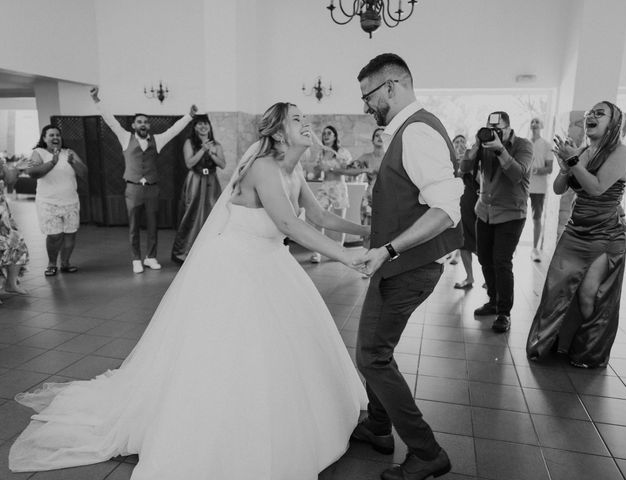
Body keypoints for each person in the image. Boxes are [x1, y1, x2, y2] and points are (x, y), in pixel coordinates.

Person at [9, 102, 370, 480]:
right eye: (298, 119)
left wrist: (368, 234)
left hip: (270, 261)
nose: (307, 124)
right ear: (279, 133)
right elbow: (289, 225)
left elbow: (320, 218)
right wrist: (347, 258)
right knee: (231, 351)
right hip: (236, 265)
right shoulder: (263, 167)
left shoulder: (292, 170)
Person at [351, 53, 463, 480]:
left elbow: (446, 210)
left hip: (408, 267)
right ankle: (379, 426)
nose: (366, 106)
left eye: (368, 95)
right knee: (375, 350)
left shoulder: (416, 132)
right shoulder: (406, 131)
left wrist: (389, 250)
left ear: (392, 86)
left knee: (373, 356)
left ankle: (427, 451)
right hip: (399, 264)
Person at [526, 101, 626, 369]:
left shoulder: (622, 153)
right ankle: (551, 343)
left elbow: (596, 188)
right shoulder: (584, 151)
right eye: (589, 114)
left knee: (589, 294)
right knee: (556, 288)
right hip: (576, 230)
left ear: (614, 123)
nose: (591, 117)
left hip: (604, 233)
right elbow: (560, 188)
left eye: (599, 113)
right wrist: (565, 166)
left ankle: (588, 350)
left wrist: (573, 160)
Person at [89, 87, 196, 273]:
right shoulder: (125, 138)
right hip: (133, 189)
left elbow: (174, 130)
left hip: (152, 189)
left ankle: (151, 257)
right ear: (133, 125)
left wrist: (189, 116)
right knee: (134, 226)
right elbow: (110, 120)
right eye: (139, 122)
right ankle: (136, 259)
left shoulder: (158, 139)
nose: (143, 124)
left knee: (153, 225)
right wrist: (96, 99)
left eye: (146, 122)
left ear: (149, 125)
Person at [460, 111, 533, 334]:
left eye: (498, 129)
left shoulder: (523, 145)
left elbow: (517, 174)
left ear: (509, 128)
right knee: (484, 258)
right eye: (491, 129)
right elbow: (464, 168)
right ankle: (493, 301)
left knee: (501, 261)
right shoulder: (484, 145)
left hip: (511, 213)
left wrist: (500, 149)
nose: (494, 133)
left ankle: (504, 312)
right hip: (484, 211)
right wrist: (475, 146)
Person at [20, 125, 87, 277]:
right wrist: (52, 162)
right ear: (44, 138)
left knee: (70, 234)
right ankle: (51, 264)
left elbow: (84, 173)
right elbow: (32, 173)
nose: (55, 138)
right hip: (48, 203)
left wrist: (73, 163)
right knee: (54, 235)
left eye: (57, 135)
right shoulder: (38, 153)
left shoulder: (69, 153)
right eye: (51, 135)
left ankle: (65, 263)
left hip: (70, 202)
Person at [171, 114, 226, 263]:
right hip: (195, 181)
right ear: (194, 127)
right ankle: (185, 252)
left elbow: (222, 164)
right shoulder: (189, 143)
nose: (203, 126)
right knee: (192, 214)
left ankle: (210, 252)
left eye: (205, 123)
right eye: (199, 124)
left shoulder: (217, 144)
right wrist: (202, 150)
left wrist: (211, 153)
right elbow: (189, 164)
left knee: (212, 215)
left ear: (209, 126)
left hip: (211, 182)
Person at [309, 125, 353, 263]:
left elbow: (348, 171)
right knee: (318, 217)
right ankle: (317, 251)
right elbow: (316, 173)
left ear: (335, 136)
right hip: (325, 187)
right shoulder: (321, 153)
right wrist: (317, 169)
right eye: (324, 133)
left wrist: (332, 168)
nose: (326, 135)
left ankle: (339, 251)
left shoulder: (342, 152)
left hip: (338, 187)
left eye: (329, 133)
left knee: (340, 221)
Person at [452, 134, 479, 290]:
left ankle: (489, 278)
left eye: (462, 141)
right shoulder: (448, 159)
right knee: (463, 243)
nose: (460, 144)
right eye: (457, 141)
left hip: (472, 203)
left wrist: (467, 160)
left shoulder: (473, 159)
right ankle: (469, 277)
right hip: (457, 204)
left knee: (477, 242)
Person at [0, 159, 29, 301]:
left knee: (17, 244)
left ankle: (11, 284)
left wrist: (17, 168)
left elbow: (9, 180)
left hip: (2, 212)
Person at [529, 117, 554, 262]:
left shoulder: (546, 145)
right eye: (532, 122)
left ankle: (535, 249)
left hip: (539, 188)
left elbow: (549, 168)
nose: (534, 124)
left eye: (537, 122)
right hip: (523, 185)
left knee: (536, 218)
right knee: (516, 217)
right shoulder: (524, 143)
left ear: (542, 125)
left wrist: (536, 170)